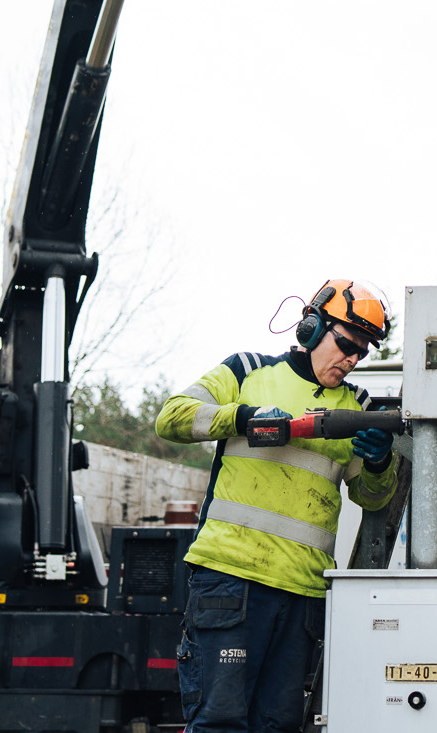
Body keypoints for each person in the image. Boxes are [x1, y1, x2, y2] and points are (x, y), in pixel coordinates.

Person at [155, 281, 400, 733]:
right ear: (311, 329)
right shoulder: (247, 371)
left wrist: (381, 461)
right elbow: (172, 416)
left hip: (302, 594)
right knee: (219, 723)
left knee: (278, 727)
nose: (351, 358)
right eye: (346, 344)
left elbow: (371, 498)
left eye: (361, 353)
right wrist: (243, 417)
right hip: (231, 581)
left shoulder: (358, 407)